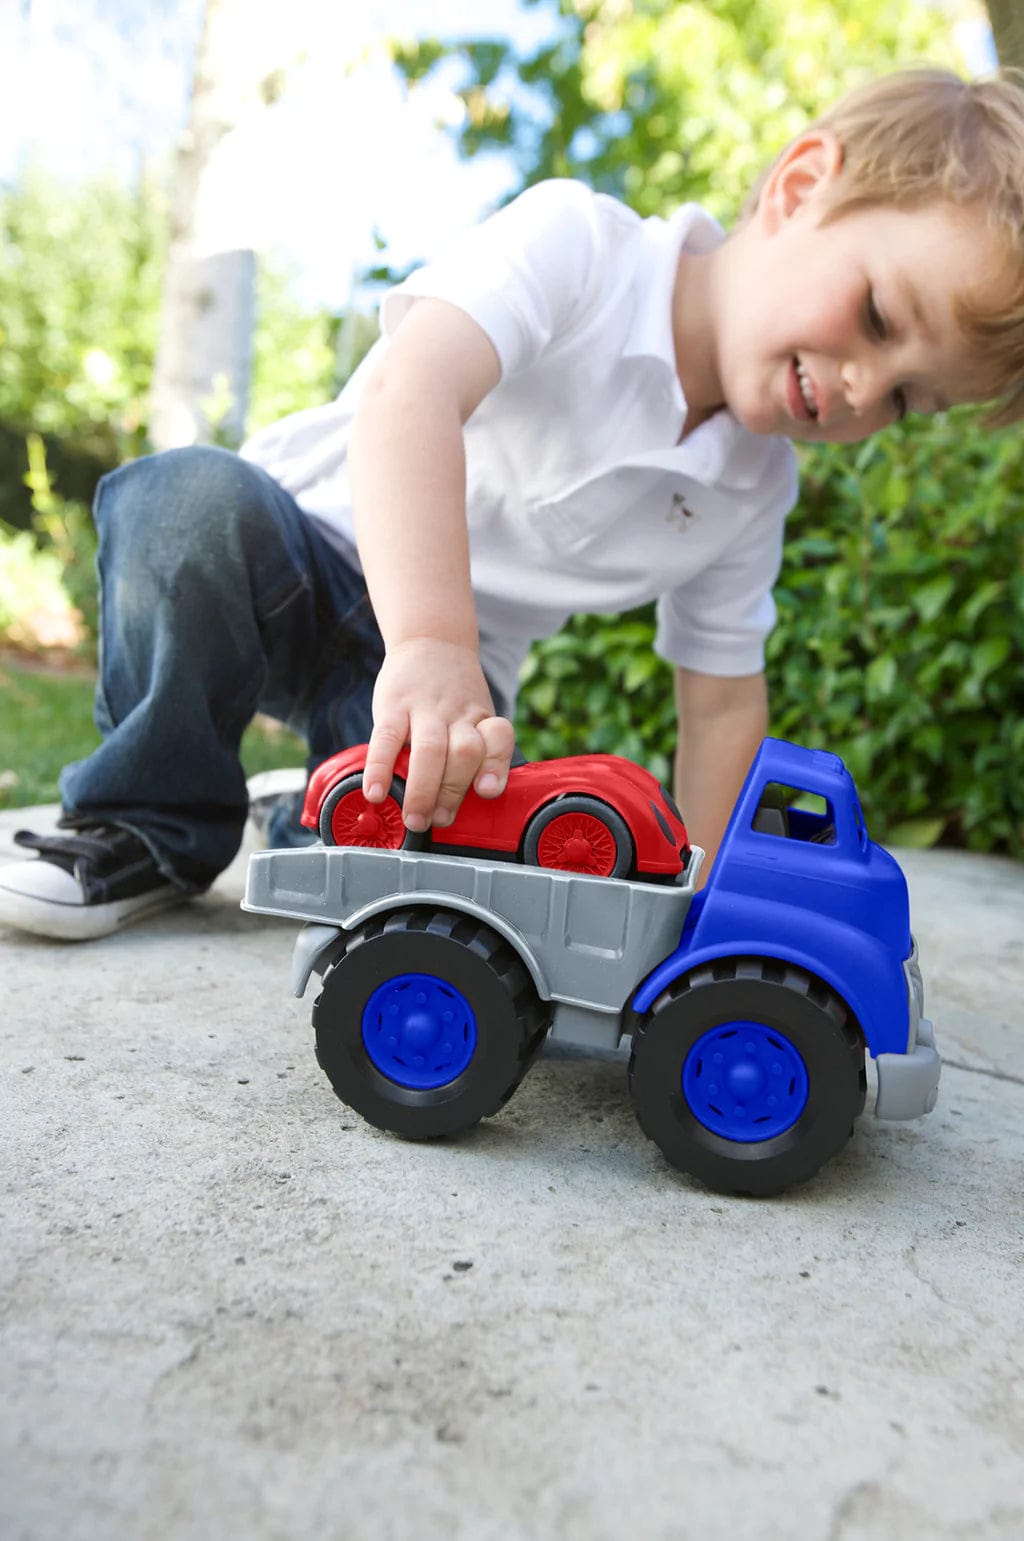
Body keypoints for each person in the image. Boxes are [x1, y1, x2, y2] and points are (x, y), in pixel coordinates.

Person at [1, 66, 1022, 940]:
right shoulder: (580, 246)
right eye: (880, 316)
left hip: (450, 681)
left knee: (424, 875)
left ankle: (314, 811)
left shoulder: (751, 486)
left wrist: (703, 897)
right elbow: (414, 391)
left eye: (905, 401)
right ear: (801, 186)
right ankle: (144, 823)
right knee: (180, 503)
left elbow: (717, 703)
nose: (860, 390)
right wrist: (433, 641)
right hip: (294, 551)